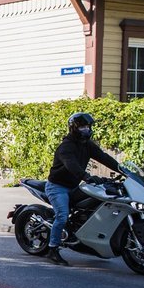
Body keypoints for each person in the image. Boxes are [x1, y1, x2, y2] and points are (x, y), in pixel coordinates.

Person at [43, 112, 122, 266]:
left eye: (88, 126)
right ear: (74, 128)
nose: (86, 129)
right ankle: (52, 249)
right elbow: (71, 165)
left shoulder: (87, 145)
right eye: (83, 127)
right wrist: (86, 177)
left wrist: (123, 170)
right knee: (62, 216)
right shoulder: (66, 146)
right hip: (58, 187)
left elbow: (103, 157)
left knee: (97, 204)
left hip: (74, 186)